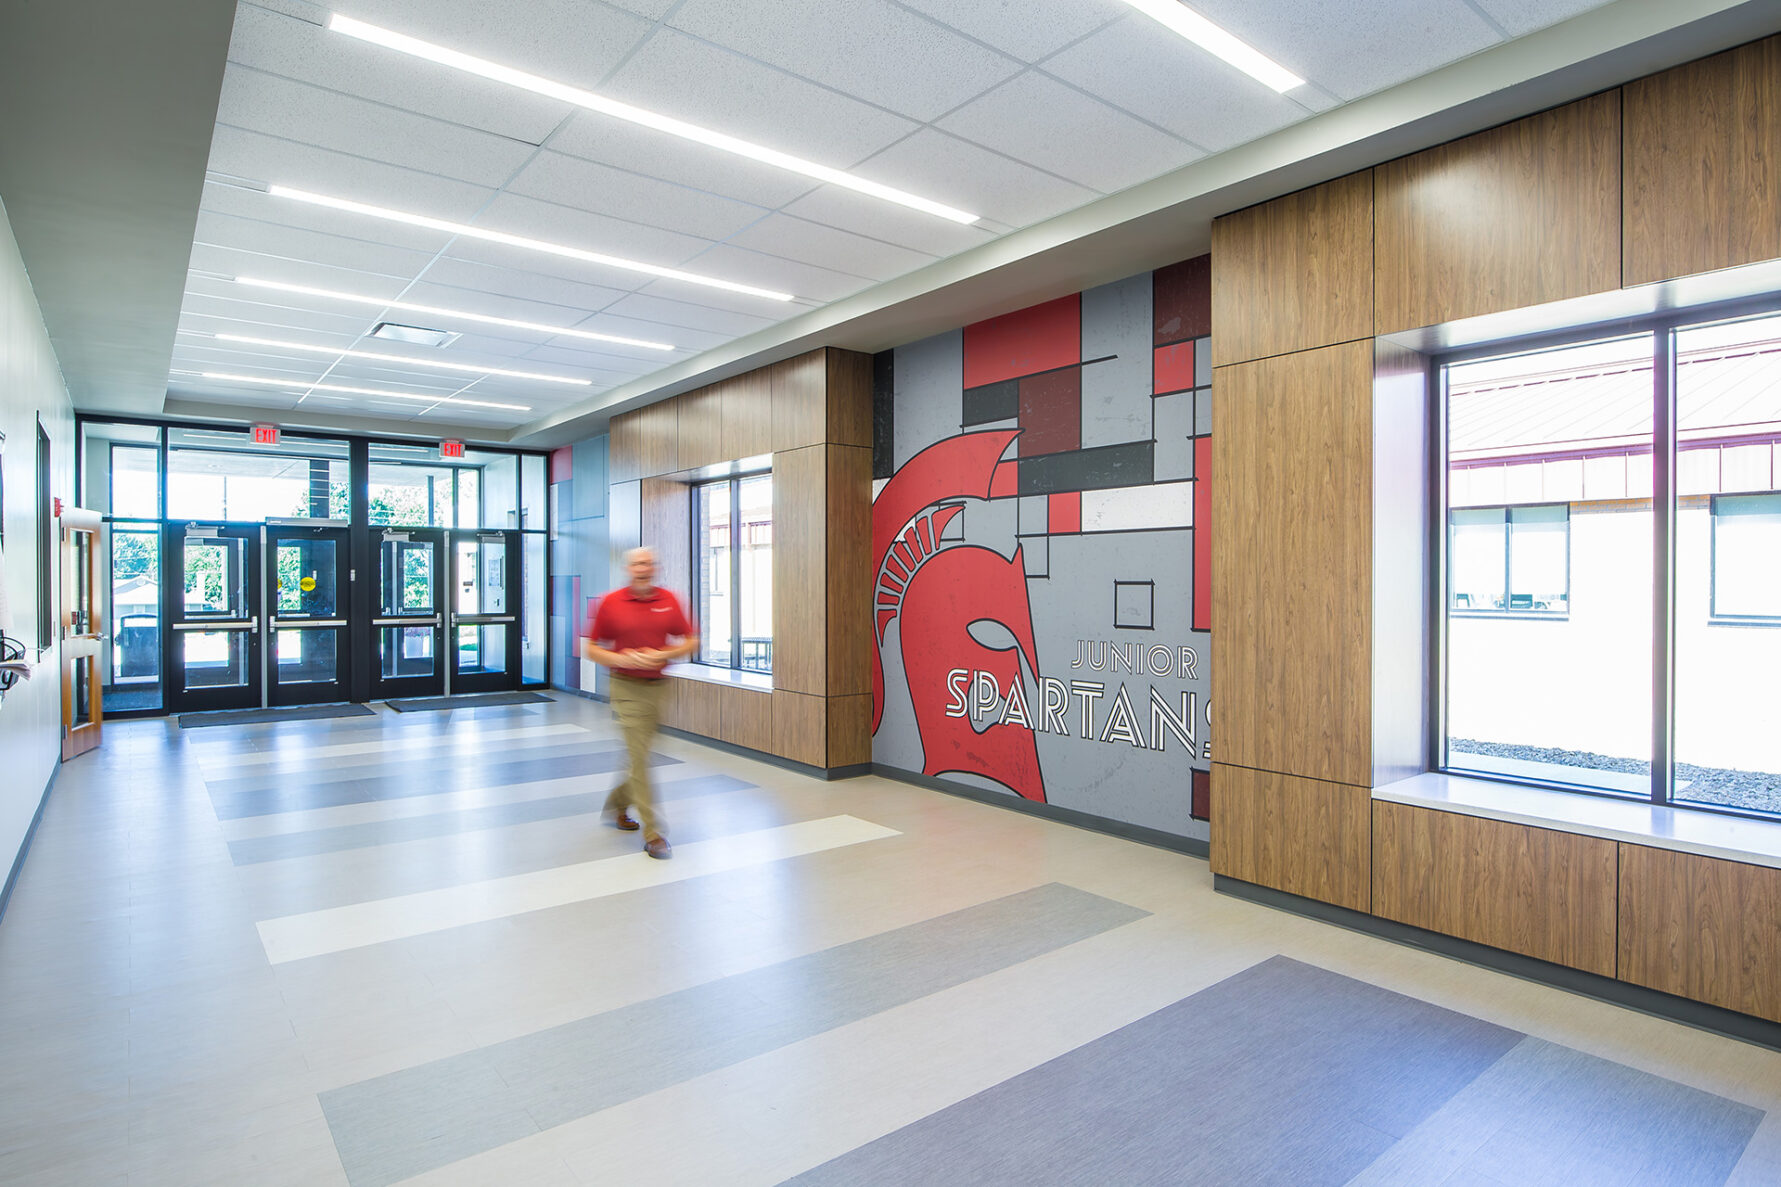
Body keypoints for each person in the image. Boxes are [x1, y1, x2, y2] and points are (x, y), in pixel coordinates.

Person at [583, 547, 698, 859]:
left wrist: (663, 654)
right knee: (640, 756)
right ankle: (653, 831)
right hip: (625, 686)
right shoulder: (611, 602)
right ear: (628, 568)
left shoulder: (669, 600)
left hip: (658, 686)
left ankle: (617, 804)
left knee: (639, 754)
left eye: (648, 563)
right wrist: (621, 657)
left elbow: (691, 640)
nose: (643, 568)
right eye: (637, 563)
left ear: (655, 568)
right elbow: (592, 649)